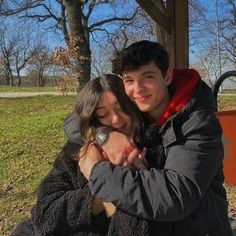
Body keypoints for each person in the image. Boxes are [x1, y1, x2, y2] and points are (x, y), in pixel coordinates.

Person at [78, 40, 233, 236]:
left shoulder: (198, 121)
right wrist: (105, 136)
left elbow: (176, 196)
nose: (138, 89)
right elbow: (77, 120)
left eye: (147, 76)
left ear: (167, 76)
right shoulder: (134, 107)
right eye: (129, 80)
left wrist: (97, 172)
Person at [11, 74, 166, 236]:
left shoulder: (152, 149)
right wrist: (103, 194)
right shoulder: (78, 148)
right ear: (93, 118)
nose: (116, 119)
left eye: (122, 108)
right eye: (103, 114)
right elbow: (44, 216)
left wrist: (133, 182)